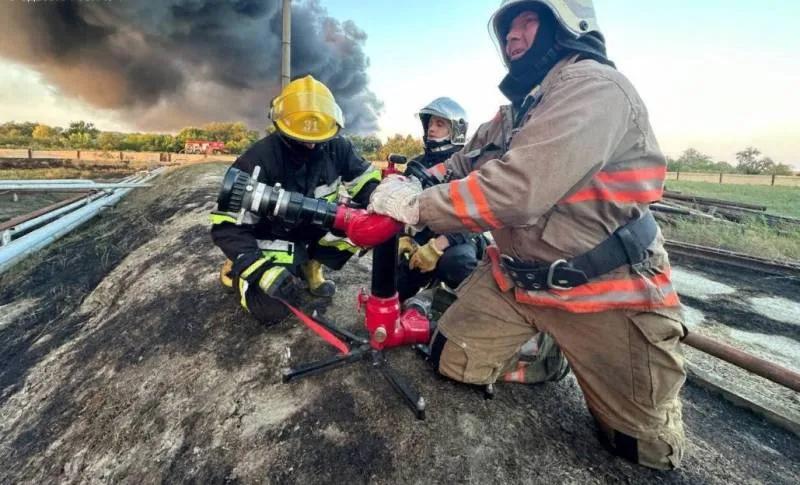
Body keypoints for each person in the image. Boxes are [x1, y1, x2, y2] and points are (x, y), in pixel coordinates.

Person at [369, 0, 686, 471]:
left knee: (639, 450)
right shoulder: (514, 112)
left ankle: (581, 355)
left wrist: (417, 207)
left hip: (606, 288)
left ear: (569, 25)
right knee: (448, 361)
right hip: (519, 280)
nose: (512, 38)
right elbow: (460, 163)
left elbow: (518, 191)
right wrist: (415, 181)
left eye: (527, 22)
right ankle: (547, 352)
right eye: (507, 30)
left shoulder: (595, 89)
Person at [211, 75, 380, 324]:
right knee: (272, 310)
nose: (311, 145)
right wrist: (258, 268)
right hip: (273, 238)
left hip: (313, 230)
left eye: (318, 139)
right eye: (302, 139)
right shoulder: (259, 159)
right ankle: (237, 268)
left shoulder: (338, 148)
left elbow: (367, 184)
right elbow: (226, 226)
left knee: (367, 222)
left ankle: (311, 265)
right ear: (282, 128)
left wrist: (386, 201)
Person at [396, 97, 488, 301]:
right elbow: (404, 205)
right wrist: (403, 236)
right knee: (393, 279)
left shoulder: (468, 165)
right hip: (421, 237)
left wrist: (438, 246)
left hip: (458, 237)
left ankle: (469, 311)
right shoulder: (416, 165)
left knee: (457, 263)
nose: (431, 129)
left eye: (440, 124)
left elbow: (477, 217)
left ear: (456, 131)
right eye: (430, 123)